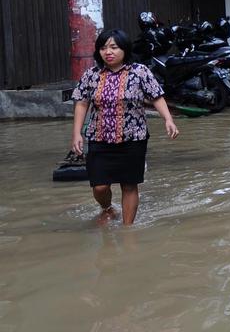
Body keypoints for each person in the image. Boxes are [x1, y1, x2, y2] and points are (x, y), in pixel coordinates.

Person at [69, 29, 179, 225]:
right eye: (103, 48)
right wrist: (77, 133)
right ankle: (108, 208)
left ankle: (128, 231)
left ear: (124, 49)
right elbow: (82, 103)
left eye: (114, 47)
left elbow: (156, 96)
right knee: (99, 187)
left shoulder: (140, 72)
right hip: (99, 137)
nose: (108, 52)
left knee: (129, 185)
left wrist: (168, 120)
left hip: (133, 137)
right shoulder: (91, 75)